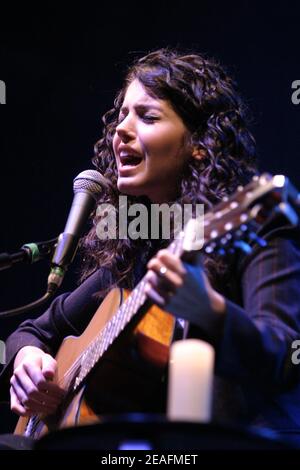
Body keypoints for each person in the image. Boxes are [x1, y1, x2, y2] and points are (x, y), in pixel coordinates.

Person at [1, 47, 300, 448]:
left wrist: (211, 312)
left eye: (147, 116)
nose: (121, 129)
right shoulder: (138, 248)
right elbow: (32, 330)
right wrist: (27, 360)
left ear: (199, 144)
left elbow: (284, 357)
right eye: (122, 114)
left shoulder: (259, 229)